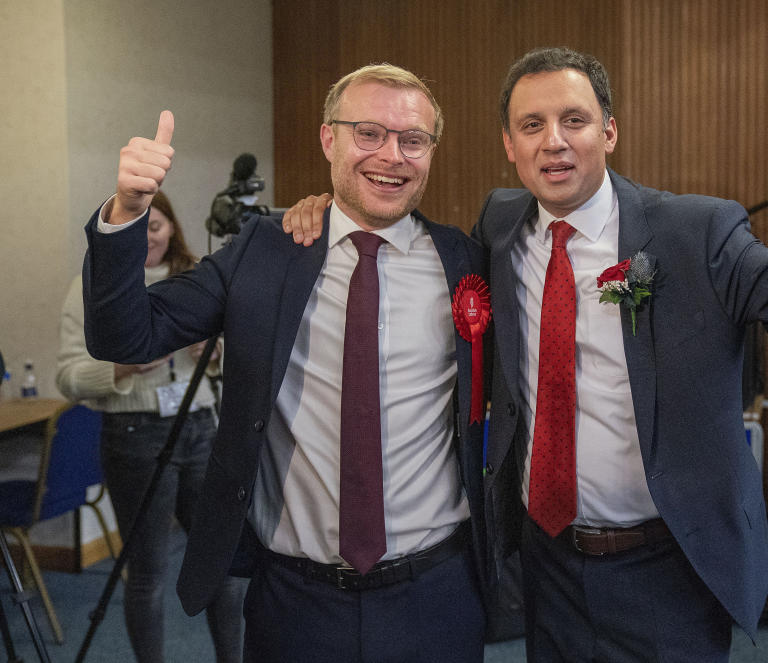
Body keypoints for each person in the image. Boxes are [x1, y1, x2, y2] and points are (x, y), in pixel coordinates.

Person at [284, 47, 768, 662]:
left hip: (668, 567)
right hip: (548, 563)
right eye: (532, 126)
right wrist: (332, 212)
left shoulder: (696, 231)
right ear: (509, 145)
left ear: (609, 132)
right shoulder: (501, 224)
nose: (554, 143)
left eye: (574, 121)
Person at [81, 64, 490, 662]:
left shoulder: (466, 261)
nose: (392, 156)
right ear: (329, 139)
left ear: (431, 151)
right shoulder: (265, 251)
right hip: (296, 602)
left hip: (436, 595)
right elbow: (125, 335)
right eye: (368, 133)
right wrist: (127, 210)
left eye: (413, 139)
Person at [57, 190, 245, 663]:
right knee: (148, 571)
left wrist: (217, 353)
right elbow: (68, 377)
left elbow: (245, 355)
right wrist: (121, 368)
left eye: (155, 227)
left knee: (220, 564)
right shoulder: (95, 287)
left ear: (172, 228)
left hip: (201, 427)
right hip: (134, 436)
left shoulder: (197, 278)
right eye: (138, 229)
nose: (149, 239)